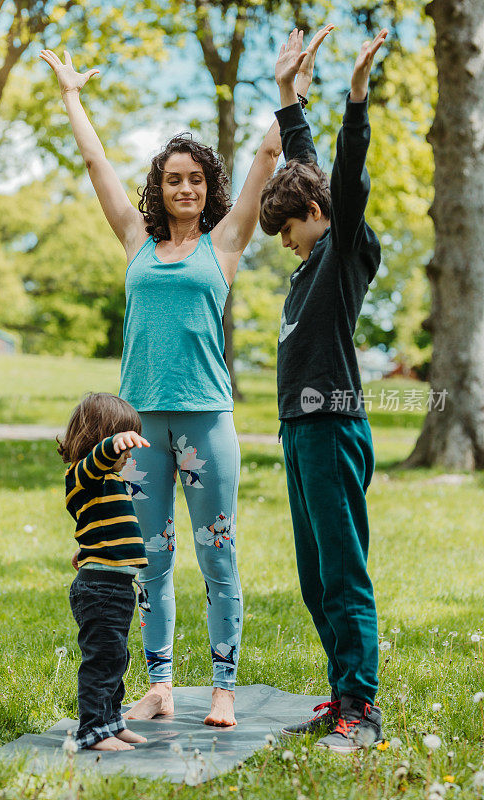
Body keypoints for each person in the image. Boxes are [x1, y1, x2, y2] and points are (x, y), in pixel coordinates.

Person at [41, 25, 332, 727]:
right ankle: (162, 684)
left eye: (195, 179)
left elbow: (269, 152)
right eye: (173, 178)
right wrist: (73, 98)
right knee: (151, 561)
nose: (184, 188)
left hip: (207, 418)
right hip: (138, 428)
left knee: (218, 556)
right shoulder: (135, 242)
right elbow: (93, 162)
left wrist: (288, 89)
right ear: (160, 186)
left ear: (209, 189)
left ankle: (225, 686)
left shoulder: (224, 242)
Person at [258, 28, 389, 752]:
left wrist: (355, 96)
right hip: (298, 429)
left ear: (320, 217)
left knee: (342, 572)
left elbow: (343, 172)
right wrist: (286, 100)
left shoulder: (341, 251)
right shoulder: (312, 253)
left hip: (332, 424)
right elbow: (306, 170)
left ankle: (362, 708)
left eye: (288, 228)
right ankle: (342, 693)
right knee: (315, 577)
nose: (283, 239)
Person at [58, 392, 150, 751]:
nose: (128, 454)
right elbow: (96, 461)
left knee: (116, 657)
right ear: (102, 437)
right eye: (125, 444)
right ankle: (91, 730)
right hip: (101, 589)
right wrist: (112, 445)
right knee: (102, 660)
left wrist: (88, 544)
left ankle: (111, 721)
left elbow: (98, 520)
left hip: (115, 585)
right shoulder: (83, 474)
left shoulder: (108, 482)